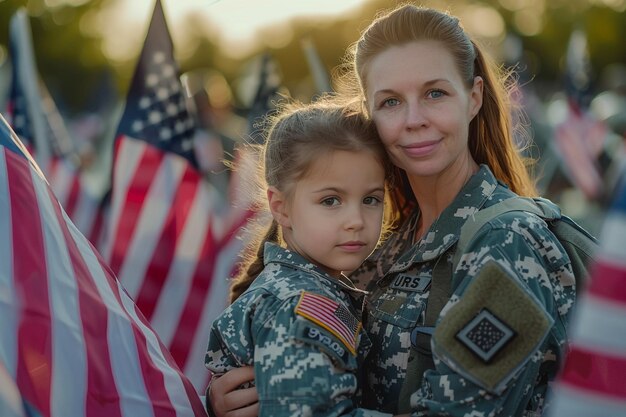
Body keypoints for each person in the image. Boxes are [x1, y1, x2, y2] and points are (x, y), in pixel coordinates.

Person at [208, 4, 582, 416]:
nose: (414, 119)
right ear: (370, 112)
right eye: (390, 102)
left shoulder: (508, 243)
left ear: (473, 98)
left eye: (434, 93)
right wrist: (240, 396)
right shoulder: (382, 240)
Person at [204, 98, 407, 417]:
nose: (356, 219)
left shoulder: (314, 284)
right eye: (330, 200)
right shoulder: (297, 307)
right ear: (281, 207)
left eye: (371, 199)